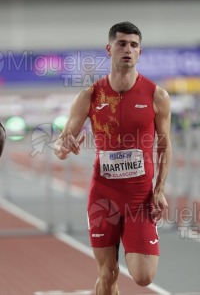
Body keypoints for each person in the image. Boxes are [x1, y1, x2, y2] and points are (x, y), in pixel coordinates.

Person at [54, 21, 172, 295]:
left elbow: (165, 145)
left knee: (143, 276)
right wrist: (62, 148)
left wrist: (160, 189)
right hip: (103, 195)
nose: (127, 49)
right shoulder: (90, 95)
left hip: (139, 196)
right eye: (121, 44)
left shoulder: (157, 96)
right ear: (109, 49)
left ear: (140, 52)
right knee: (107, 274)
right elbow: (61, 144)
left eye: (133, 45)